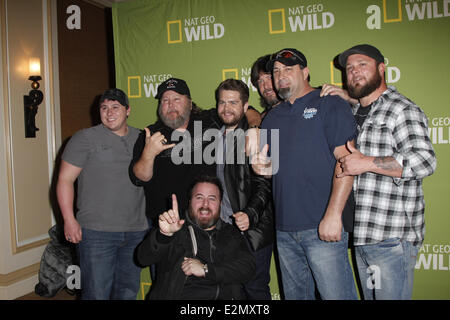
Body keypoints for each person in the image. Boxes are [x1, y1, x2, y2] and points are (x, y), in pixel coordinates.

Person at [253, 48, 358, 300]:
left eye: (288, 69)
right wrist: (261, 168)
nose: (281, 75)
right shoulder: (272, 118)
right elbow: (273, 171)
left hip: (322, 226)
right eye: (276, 71)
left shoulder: (329, 103)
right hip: (285, 231)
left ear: (306, 72)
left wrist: (334, 215)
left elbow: (347, 162)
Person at [336, 44, 436, 300]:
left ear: (382, 69)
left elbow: (424, 161)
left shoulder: (401, 109)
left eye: (362, 65)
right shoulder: (355, 111)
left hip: (391, 238)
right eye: (349, 69)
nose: (354, 72)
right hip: (364, 234)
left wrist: (368, 162)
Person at [56, 88, 148, 300]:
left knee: (126, 293)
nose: (109, 112)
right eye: (104, 108)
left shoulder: (142, 138)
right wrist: (69, 220)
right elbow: (64, 180)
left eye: (115, 107)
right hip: (97, 233)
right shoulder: (84, 138)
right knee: (96, 294)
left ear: (128, 110)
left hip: (136, 231)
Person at [130, 78, 261, 224]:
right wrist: (149, 154)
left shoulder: (209, 120)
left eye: (177, 99)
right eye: (165, 100)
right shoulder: (150, 134)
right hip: (165, 222)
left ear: (190, 104)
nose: (171, 105)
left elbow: (247, 110)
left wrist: (254, 129)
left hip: (205, 221)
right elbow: (139, 178)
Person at [135, 175, 255, 299]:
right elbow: (143, 259)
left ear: (220, 203)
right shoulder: (176, 229)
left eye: (212, 198)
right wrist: (164, 235)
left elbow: (248, 267)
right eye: (199, 197)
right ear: (190, 201)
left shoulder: (230, 233)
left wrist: (206, 270)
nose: (205, 204)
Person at [214, 79, 274, 300]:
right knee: (232, 292)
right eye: (222, 102)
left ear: (246, 106)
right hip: (223, 232)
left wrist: (250, 214)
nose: (226, 108)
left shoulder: (257, 136)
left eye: (233, 102)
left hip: (252, 231)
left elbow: (265, 184)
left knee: (255, 290)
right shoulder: (213, 135)